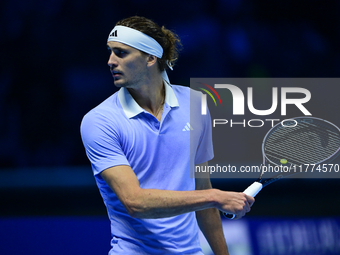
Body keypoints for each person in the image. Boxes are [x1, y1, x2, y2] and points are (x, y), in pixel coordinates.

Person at [80, 16, 254, 255]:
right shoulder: (100, 121)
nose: (110, 61)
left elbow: (202, 188)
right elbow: (135, 202)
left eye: (121, 53)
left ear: (151, 58)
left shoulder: (196, 104)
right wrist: (214, 197)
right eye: (110, 52)